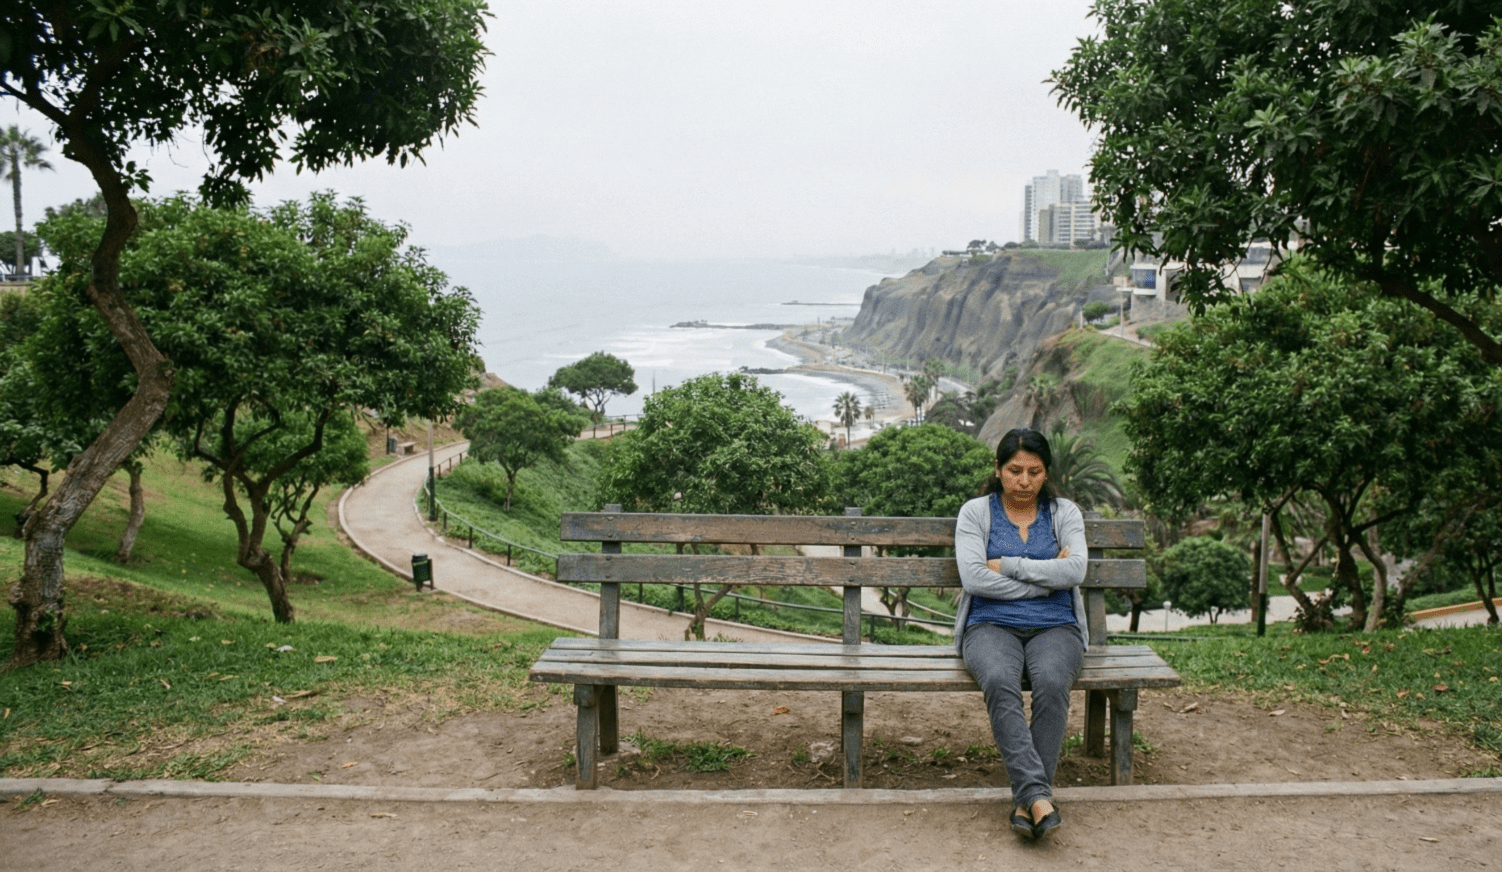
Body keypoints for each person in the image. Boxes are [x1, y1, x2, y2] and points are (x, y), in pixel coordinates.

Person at [953, 427, 1088, 841]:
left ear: (1047, 473)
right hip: (989, 624)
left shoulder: (1065, 513)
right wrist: (1050, 578)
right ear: (998, 470)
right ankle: (1036, 796)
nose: (1024, 481)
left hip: (1056, 625)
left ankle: (1027, 799)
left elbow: (1077, 570)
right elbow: (974, 579)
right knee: (998, 679)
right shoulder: (976, 513)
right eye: (1015, 471)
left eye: (1034, 471)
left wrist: (1008, 565)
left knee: (1050, 682)